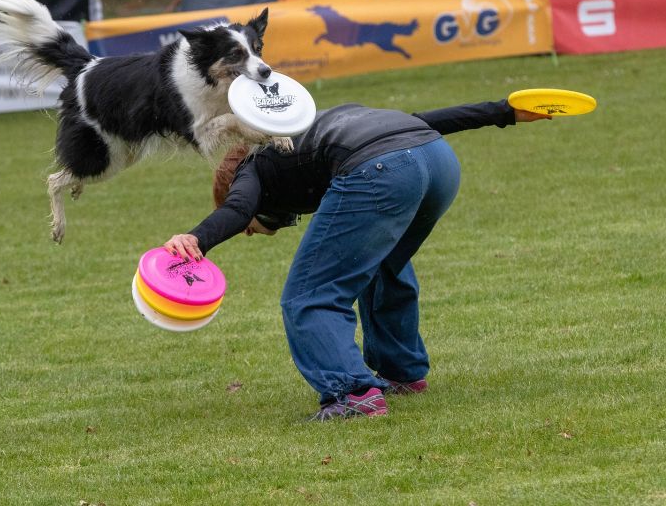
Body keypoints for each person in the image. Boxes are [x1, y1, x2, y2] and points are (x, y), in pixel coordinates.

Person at [165, 99, 551, 420]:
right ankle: (402, 372)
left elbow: (236, 210)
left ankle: (353, 394)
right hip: (437, 162)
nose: (249, 232)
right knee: (382, 264)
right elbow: (421, 121)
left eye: (249, 228)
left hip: (381, 169)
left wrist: (196, 238)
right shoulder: (308, 130)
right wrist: (504, 111)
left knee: (310, 295)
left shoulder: (252, 164)